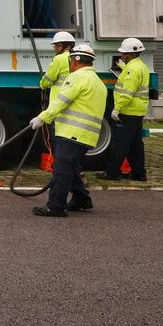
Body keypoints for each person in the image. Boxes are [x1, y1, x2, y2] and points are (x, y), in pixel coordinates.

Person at [29, 43, 107, 217]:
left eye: (71, 60)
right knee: (71, 168)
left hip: (71, 133)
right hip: (87, 136)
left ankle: (55, 206)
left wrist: (42, 118)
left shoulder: (77, 78)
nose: (70, 63)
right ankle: (81, 199)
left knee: (61, 170)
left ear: (76, 60)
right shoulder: (98, 83)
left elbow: (60, 102)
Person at [97, 38, 150, 182]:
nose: (121, 56)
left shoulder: (132, 69)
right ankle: (139, 173)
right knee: (135, 145)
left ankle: (112, 172)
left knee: (119, 143)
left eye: (124, 53)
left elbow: (127, 92)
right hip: (137, 111)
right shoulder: (141, 66)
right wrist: (124, 68)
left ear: (131, 54)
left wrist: (117, 109)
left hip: (127, 111)